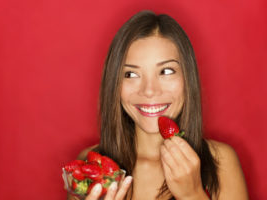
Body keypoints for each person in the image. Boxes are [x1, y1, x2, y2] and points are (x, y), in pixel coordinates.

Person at [68, 10, 249, 200]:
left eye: (167, 71)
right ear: (114, 84)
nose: (149, 90)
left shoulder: (221, 162)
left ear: (188, 78)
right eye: (130, 74)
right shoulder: (90, 166)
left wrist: (192, 194)